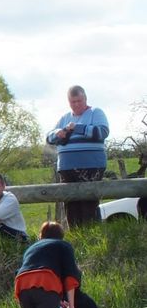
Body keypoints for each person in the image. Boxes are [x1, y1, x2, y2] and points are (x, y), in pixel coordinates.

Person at [47, 85, 109, 227]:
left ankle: (92, 236)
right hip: (67, 168)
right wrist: (57, 134)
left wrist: (78, 128)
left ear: (85, 99)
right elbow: (49, 138)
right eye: (72, 102)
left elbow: (102, 132)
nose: (76, 105)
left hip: (91, 166)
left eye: (79, 101)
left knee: (88, 203)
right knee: (71, 204)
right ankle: (76, 237)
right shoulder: (64, 117)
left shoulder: (96, 112)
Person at [14, 221, 82, 308]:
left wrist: (57, 298)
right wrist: (72, 306)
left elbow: (24, 270)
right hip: (45, 280)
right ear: (61, 235)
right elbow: (70, 277)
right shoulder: (63, 245)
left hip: (22, 283)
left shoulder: (32, 248)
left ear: (41, 235)